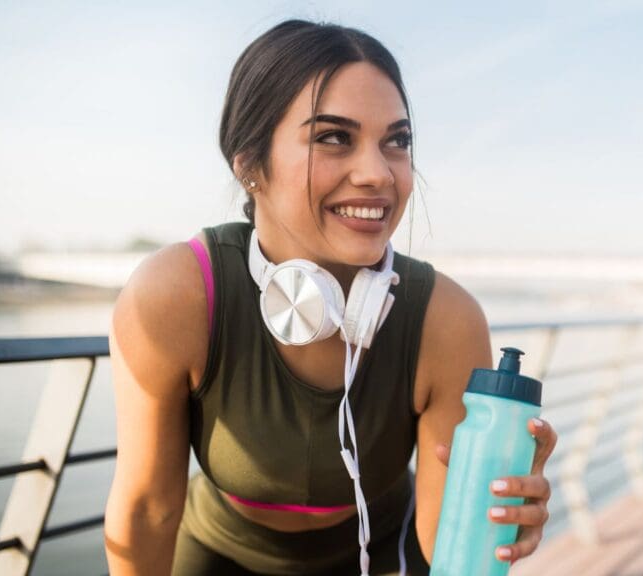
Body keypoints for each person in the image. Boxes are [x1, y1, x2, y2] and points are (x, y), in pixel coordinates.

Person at [104, 20, 556, 575]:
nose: (377, 173)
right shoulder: (177, 295)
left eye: (397, 141)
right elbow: (147, 511)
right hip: (220, 554)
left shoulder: (447, 319)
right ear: (249, 164)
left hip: (380, 552)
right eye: (333, 137)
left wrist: (498, 522)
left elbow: (450, 549)